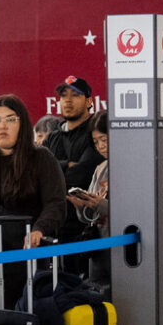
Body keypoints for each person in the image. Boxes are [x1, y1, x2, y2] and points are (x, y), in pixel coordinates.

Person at [0, 94, 66, 322]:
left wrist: (40, 229)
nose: (2, 126)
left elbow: (56, 204)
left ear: (22, 123)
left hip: (22, 254)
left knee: (19, 322)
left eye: (10, 119)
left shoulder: (41, 158)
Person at [43, 76, 105, 276]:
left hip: (85, 228)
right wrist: (66, 165)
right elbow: (40, 172)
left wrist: (57, 169)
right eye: (63, 95)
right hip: (54, 225)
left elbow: (81, 174)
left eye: (75, 95)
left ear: (89, 101)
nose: (67, 101)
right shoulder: (53, 136)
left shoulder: (93, 132)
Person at [67, 110, 110, 287]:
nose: (101, 146)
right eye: (96, 142)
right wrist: (81, 207)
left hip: (122, 248)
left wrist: (103, 205)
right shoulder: (100, 168)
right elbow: (90, 218)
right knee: (97, 292)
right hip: (98, 246)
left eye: (105, 140)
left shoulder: (133, 167)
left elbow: (134, 213)